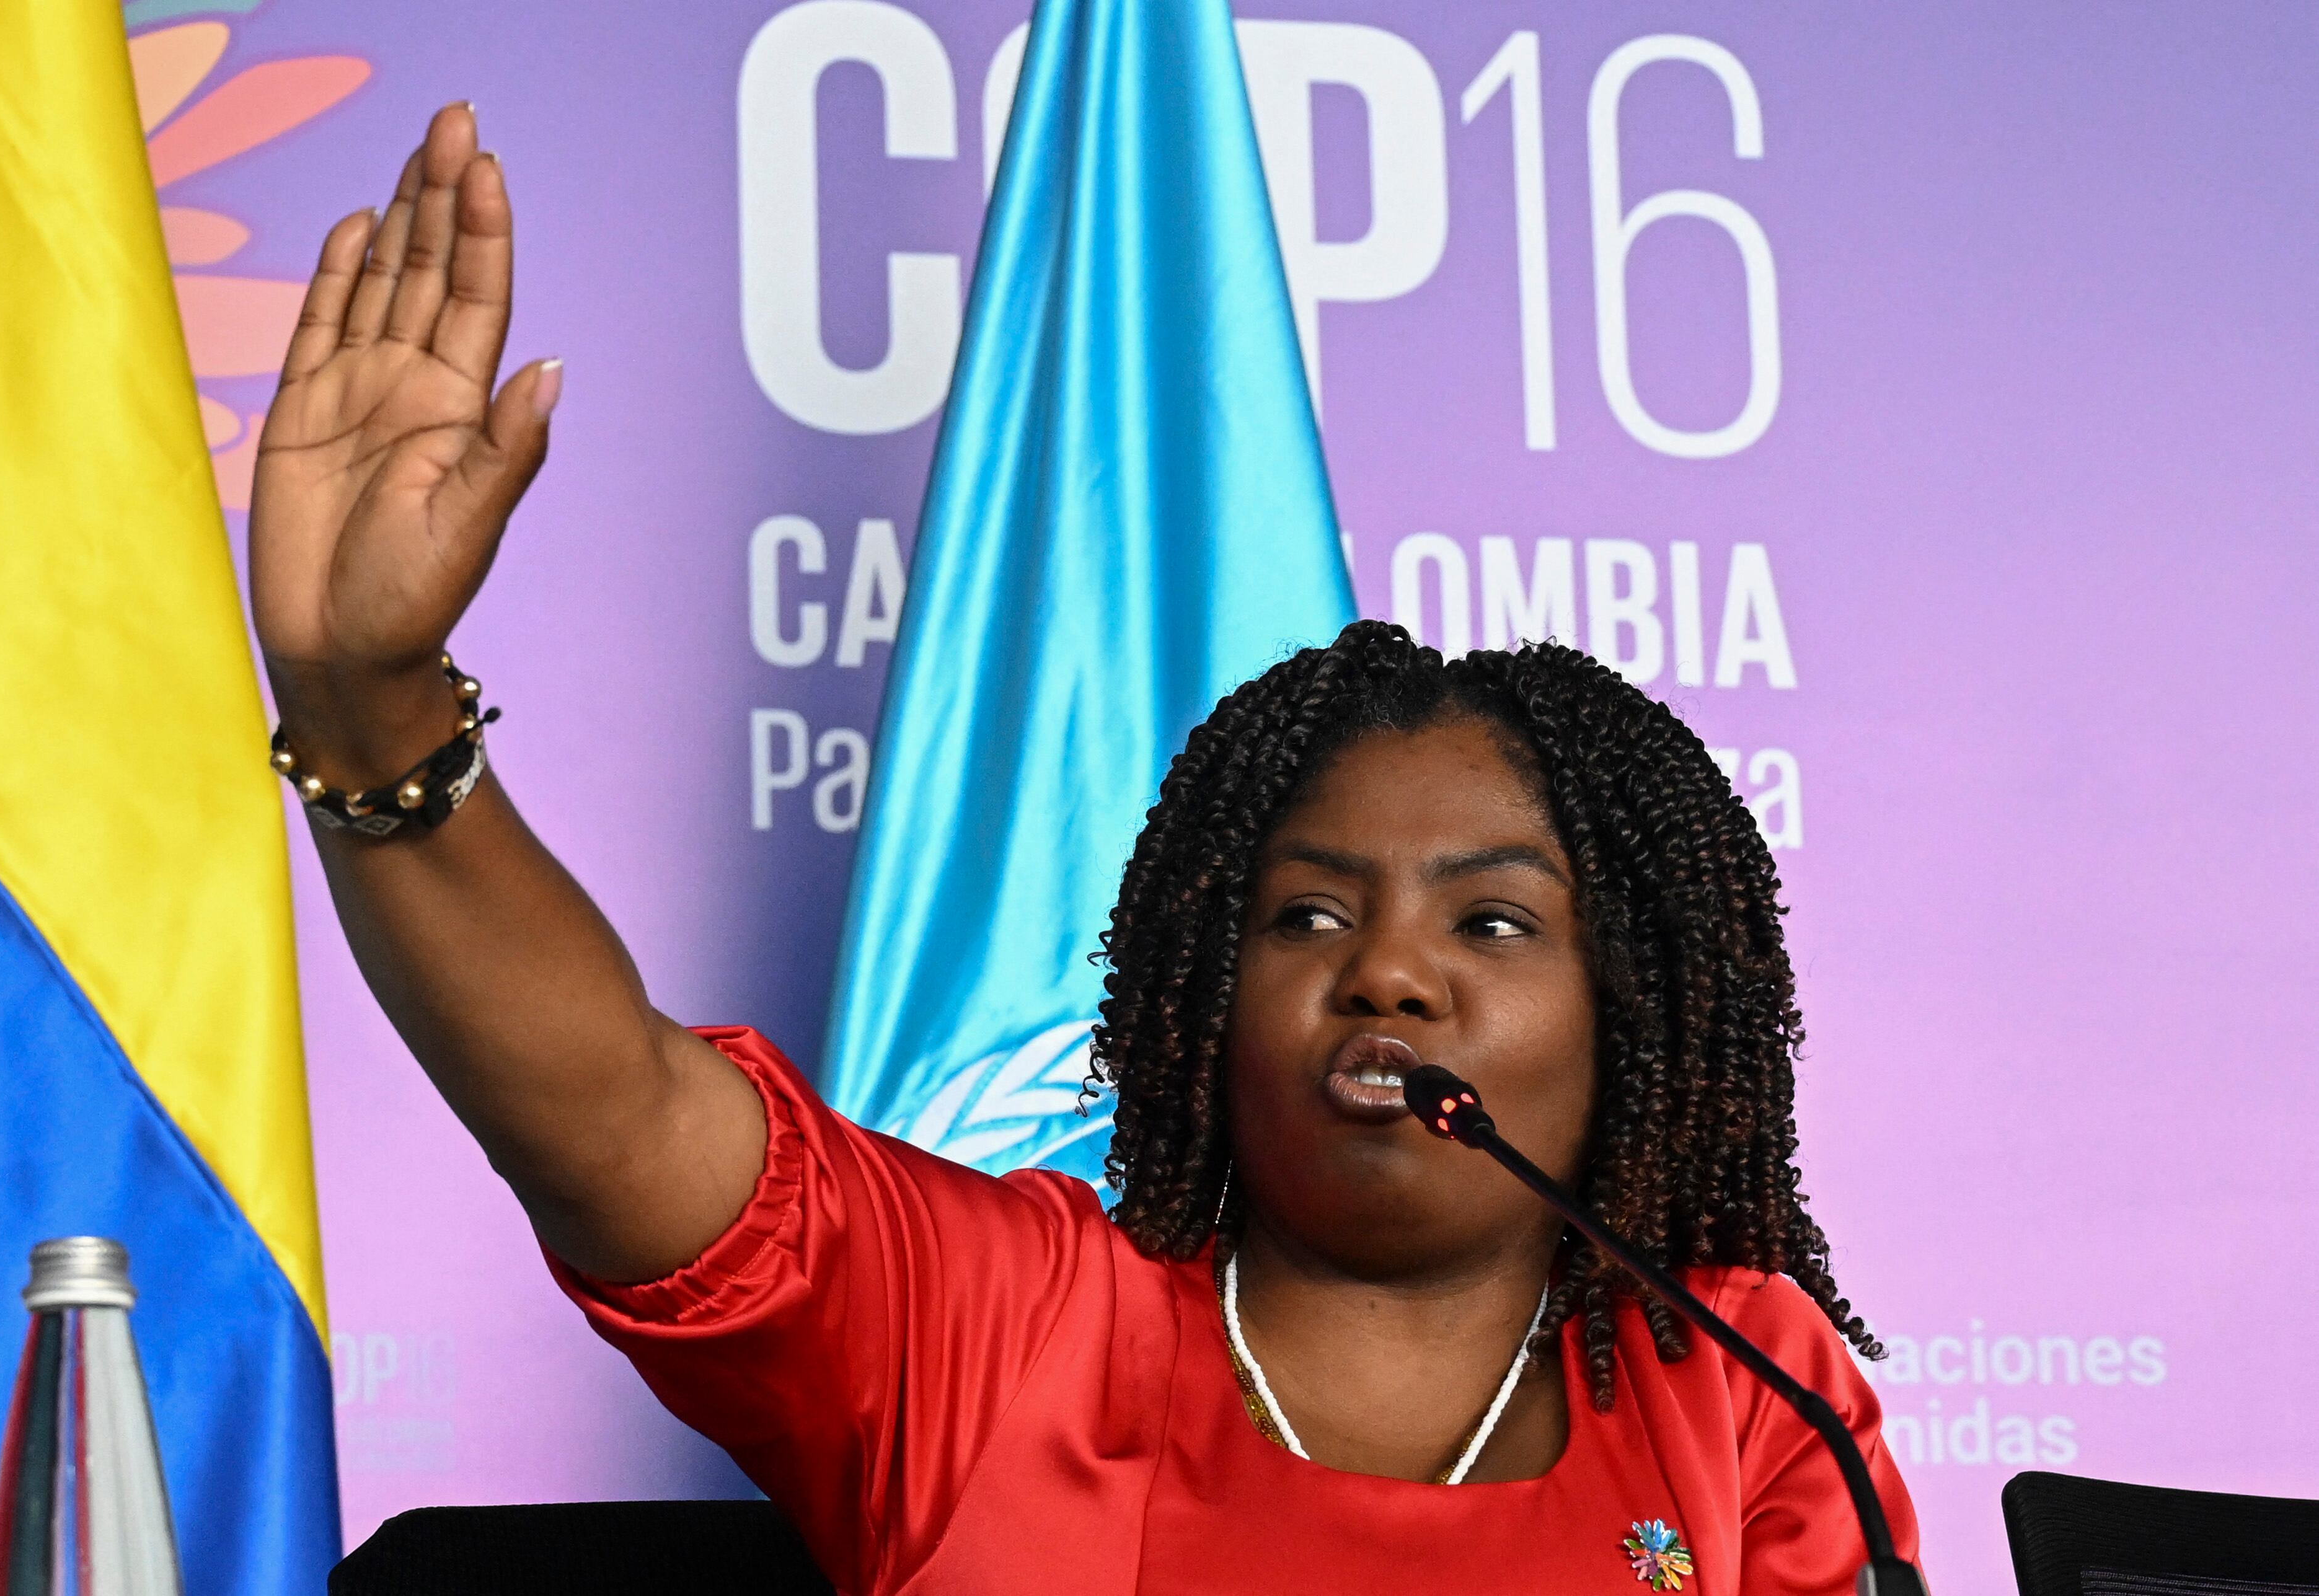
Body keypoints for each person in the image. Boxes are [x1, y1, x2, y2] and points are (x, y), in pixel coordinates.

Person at [254, 105, 1920, 1594]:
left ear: (1634, 1003)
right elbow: (616, 1116)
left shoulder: (1744, 1389)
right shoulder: (1007, 1327)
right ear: (1202, 992)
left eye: (1491, 927)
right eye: (1305, 915)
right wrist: (368, 706)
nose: (1387, 971)